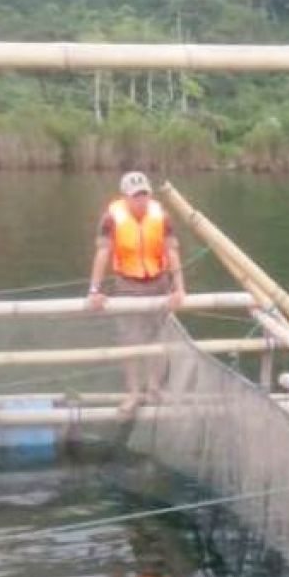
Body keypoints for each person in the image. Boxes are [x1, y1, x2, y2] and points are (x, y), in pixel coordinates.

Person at [87, 171, 187, 415]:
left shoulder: (161, 216)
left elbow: (172, 251)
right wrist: (94, 290)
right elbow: (102, 253)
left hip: (158, 281)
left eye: (144, 195)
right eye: (135, 197)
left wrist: (179, 286)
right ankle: (133, 392)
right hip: (127, 284)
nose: (140, 201)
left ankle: (154, 387)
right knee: (131, 339)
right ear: (125, 198)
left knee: (158, 336)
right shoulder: (111, 218)